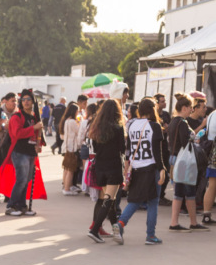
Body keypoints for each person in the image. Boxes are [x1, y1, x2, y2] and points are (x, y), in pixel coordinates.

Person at [117, 98, 166, 245]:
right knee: (153, 201)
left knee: (134, 200)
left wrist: (127, 169)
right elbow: (157, 152)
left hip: (136, 167)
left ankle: (119, 224)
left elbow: (129, 150)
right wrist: (162, 169)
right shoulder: (154, 126)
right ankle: (150, 235)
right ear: (153, 109)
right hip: (151, 168)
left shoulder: (131, 125)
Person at [0, 89, 44, 216]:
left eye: (28, 99)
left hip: (30, 152)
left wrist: (38, 143)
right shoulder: (16, 117)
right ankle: (11, 206)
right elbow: (16, 134)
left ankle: (21, 206)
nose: (26, 102)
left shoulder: (34, 116)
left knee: (27, 180)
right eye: (23, 100)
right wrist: (34, 128)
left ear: (33, 101)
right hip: (19, 152)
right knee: (21, 180)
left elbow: (37, 134)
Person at [86, 99, 126, 243]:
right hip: (113, 166)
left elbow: (95, 149)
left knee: (110, 201)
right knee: (109, 201)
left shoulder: (97, 127)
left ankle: (117, 233)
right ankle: (94, 229)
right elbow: (122, 148)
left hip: (100, 167)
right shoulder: (118, 127)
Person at [166, 93, 207, 232]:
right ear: (184, 108)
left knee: (179, 192)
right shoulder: (182, 123)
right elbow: (185, 143)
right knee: (188, 191)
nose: (191, 110)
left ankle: (177, 222)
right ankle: (190, 223)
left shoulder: (173, 121)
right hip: (183, 161)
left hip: (175, 159)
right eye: (190, 107)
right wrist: (193, 137)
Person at [60, 102, 82, 195]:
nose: (78, 113)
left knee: (66, 168)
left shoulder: (67, 121)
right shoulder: (73, 122)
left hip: (66, 147)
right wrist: (80, 122)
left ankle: (65, 187)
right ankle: (67, 189)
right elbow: (79, 132)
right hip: (72, 148)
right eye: (77, 111)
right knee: (70, 170)